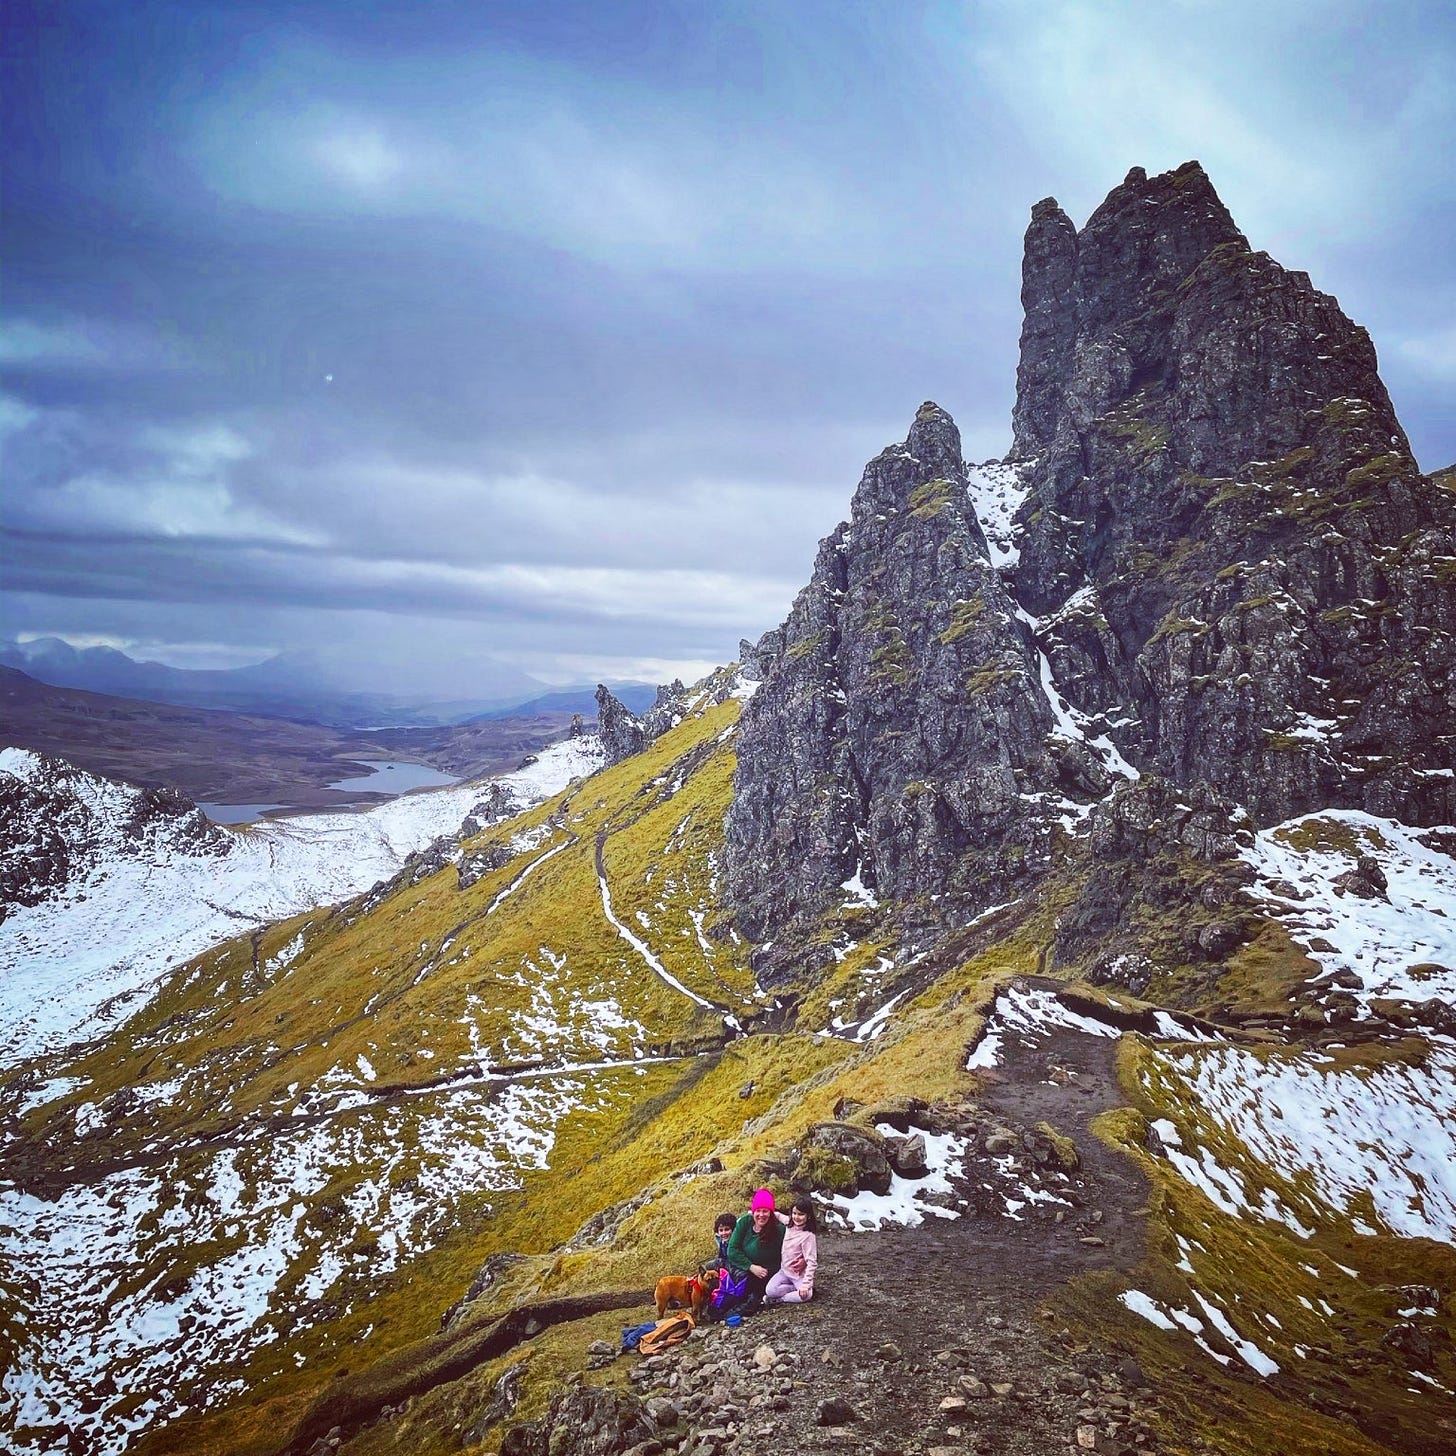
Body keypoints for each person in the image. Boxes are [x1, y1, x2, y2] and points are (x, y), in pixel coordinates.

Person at [723, 1187, 784, 1316]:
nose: (761, 1215)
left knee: (749, 1293)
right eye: (758, 1211)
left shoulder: (778, 1230)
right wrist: (750, 1266)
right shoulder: (745, 1222)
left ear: (771, 1212)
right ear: (753, 1211)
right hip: (744, 1267)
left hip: (764, 1275)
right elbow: (732, 1250)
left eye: (765, 1211)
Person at [765, 1197, 817, 1303]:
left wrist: (806, 1285)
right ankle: (793, 1289)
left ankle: (780, 1299)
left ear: (809, 1216)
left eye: (801, 1214)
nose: (797, 1217)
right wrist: (754, 1212)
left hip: (798, 1274)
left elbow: (812, 1262)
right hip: (784, 1271)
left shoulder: (808, 1236)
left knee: (806, 1295)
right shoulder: (790, 1223)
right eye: (794, 1213)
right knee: (770, 1290)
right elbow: (778, 1215)